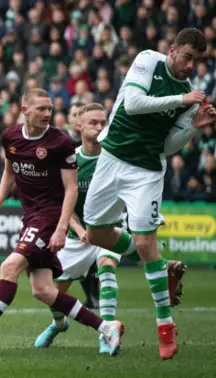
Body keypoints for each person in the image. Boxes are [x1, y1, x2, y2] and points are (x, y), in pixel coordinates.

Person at [0, 89, 123, 356]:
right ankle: (106, 327)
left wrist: (62, 228)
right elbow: (9, 172)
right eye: (41, 108)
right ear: (25, 109)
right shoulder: (10, 137)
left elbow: (71, 189)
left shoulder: (60, 142)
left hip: (49, 215)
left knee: (9, 266)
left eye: (50, 109)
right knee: (43, 290)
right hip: (31, 215)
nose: (47, 114)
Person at [83, 27, 216, 360]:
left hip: (146, 171)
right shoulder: (148, 61)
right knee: (94, 232)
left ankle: (165, 327)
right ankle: (161, 265)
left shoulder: (189, 93)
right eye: (187, 57)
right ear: (172, 51)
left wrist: (191, 127)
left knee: (144, 243)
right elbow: (133, 102)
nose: (190, 66)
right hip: (112, 158)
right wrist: (182, 100)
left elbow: (168, 144)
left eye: (196, 61)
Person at [34, 103, 128, 353]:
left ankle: (106, 332)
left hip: (110, 229)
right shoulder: (70, 159)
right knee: (52, 291)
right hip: (78, 236)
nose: (99, 127)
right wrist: (77, 226)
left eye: (103, 122)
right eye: (93, 123)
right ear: (78, 126)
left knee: (107, 265)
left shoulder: (116, 158)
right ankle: (58, 323)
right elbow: (65, 200)